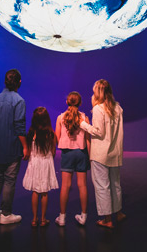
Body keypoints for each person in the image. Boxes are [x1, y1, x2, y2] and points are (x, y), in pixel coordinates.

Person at [79, 79, 126, 228]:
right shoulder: (118, 108)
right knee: (115, 184)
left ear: (98, 93)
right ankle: (118, 213)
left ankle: (107, 219)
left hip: (100, 154)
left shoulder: (99, 109)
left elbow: (99, 132)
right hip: (115, 153)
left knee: (102, 186)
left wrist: (83, 124)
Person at [0, 69, 29, 225]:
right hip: (12, 146)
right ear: (19, 82)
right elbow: (19, 126)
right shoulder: (19, 101)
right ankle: (6, 214)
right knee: (10, 180)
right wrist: (25, 147)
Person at [54, 91, 91, 226]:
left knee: (65, 186)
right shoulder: (84, 118)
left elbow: (57, 137)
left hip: (67, 154)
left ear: (67, 102)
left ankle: (62, 217)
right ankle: (84, 216)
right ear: (80, 103)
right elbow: (88, 140)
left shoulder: (60, 118)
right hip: (81, 153)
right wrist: (89, 155)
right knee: (82, 185)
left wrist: (63, 145)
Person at [22, 107, 59, 227]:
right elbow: (53, 151)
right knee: (44, 192)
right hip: (46, 162)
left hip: (35, 163)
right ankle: (43, 219)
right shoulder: (51, 133)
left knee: (35, 191)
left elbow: (29, 148)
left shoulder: (32, 132)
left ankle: (34, 219)